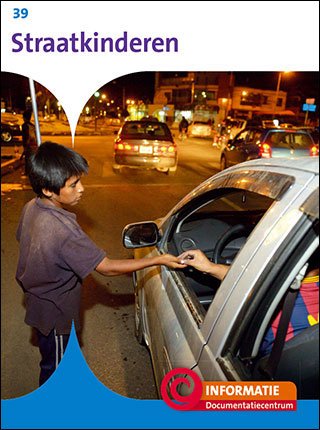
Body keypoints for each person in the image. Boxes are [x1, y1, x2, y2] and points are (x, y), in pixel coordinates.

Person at [16, 141, 186, 386]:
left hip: (38, 303)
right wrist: (157, 259)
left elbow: (23, 238)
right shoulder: (63, 229)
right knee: (55, 370)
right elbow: (105, 267)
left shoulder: (32, 206)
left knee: (50, 360)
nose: (82, 189)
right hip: (55, 312)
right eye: (73, 185)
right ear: (48, 190)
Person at [178, 248, 319, 356]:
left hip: (277, 369)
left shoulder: (278, 289)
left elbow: (252, 281)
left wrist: (210, 268)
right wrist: (211, 268)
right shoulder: (303, 286)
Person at [21, 110, 38, 177]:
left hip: (28, 144)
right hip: (34, 144)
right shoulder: (32, 126)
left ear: (24, 117)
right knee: (32, 158)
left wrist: (25, 146)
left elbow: (25, 136)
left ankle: (27, 172)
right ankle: (32, 172)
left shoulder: (24, 126)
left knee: (27, 159)